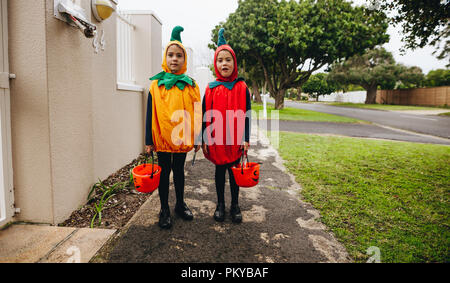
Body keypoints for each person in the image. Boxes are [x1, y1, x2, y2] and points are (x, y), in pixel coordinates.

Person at [146, 26, 201, 229]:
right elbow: (149, 113)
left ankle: (179, 204)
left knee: (179, 171)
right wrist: (148, 140)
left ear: (184, 59)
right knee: (163, 172)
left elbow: (197, 112)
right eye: (170, 55)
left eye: (179, 55)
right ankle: (164, 209)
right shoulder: (156, 85)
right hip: (161, 137)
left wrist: (197, 137)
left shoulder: (191, 85)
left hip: (182, 137)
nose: (174, 59)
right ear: (165, 57)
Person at [197, 28, 251, 224]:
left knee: (235, 174)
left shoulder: (242, 87)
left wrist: (246, 138)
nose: (224, 63)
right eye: (220, 60)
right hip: (216, 139)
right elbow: (204, 115)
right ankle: (220, 204)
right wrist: (202, 138)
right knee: (219, 173)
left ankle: (235, 205)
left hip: (235, 139)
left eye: (228, 59)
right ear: (215, 64)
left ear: (234, 63)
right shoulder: (210, 88)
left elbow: (247, 115)